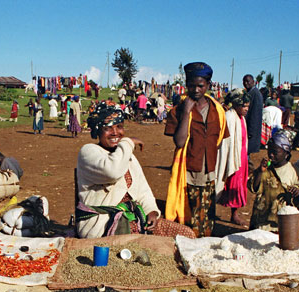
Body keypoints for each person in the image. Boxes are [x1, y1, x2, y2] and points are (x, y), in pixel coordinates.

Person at [76, 106, 195, 239]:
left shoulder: (127, 155)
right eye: (107, 128)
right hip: (102, 225)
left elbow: (143, 190)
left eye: (119, 126)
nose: (115, 132)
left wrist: (151, 212)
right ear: (98, 131)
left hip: (135, 220)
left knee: (186, 235)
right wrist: (128, 142)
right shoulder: (88, 152)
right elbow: (113, 171)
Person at [164, 62, 228, 237]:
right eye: (191, 85)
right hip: (189, 171)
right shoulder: (178, 110)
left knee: (206, 213)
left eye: (200, 85)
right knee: (188, 212)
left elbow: (220, 139)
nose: (196, 90)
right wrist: (186, 113)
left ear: (208, 85)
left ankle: (203, 243)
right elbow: (179, 141)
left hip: (210, 171)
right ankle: (188, 245)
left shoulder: (217, 110)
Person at [248, 131, 299, 231]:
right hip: (261, 221)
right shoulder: (264, 169)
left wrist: (296, 192)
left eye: (275, 152)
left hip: (280, 223)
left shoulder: (293, 171)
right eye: (269, 151)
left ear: (286, 153)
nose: (271, 155)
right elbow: (254, 188)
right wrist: (260, 172)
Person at [217, 89, 249, 225]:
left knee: (239, 185)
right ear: (236, 105)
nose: (246, 109)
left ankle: (234, 213)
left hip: (241, 155)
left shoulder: (241, 118)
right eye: (244, 106)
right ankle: (214, 211)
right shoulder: (229, 117)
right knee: (229, 183)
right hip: (232, 155)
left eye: (248, 106)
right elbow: (226, 142)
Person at [243, 74, 263, 155]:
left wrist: (251, 131)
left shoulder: (256, 94)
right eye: (244, 81)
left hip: (251, 129)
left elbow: (255, 114)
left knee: (247, 153)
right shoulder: (250, 92)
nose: (246, 83)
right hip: (248, 127)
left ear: (253, 82)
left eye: (248, 81)